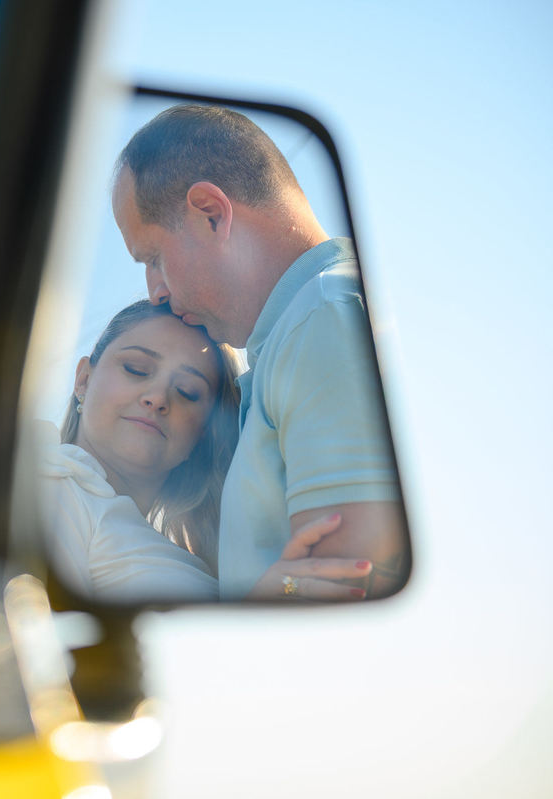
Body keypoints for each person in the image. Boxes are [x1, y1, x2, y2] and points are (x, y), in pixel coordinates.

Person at [111, 104, 407, 599]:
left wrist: (271, 595)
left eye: (154, 258)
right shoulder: (301, 331)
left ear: (210, 213)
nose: (155, 291)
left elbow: (350, 579)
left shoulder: (322, 318)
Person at [39, 299, 374, 602]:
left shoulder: (202, 557)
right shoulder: (50, 481)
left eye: (187, 392)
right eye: (136, 369)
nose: (157, 397)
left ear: (202, 436)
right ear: (83, 379)